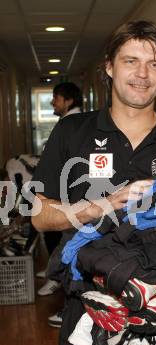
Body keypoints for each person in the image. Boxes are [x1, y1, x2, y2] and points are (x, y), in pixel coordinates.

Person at [32, 20, 156, 345]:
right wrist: (102, 205)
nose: (142, 74)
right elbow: (39, 216)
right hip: (88, 312)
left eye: (154, 64)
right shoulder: (72, 132)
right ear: (110, 67)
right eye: (131, 61)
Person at [36, 82, 83, 329]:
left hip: (72, 197)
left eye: (56, 98)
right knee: (67, 246)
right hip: (70, 196)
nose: (53, 103)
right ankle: (55, 277)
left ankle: (69, 306)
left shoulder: (74, 126)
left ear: (68, 100)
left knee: (71, 249)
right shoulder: (72, 123)